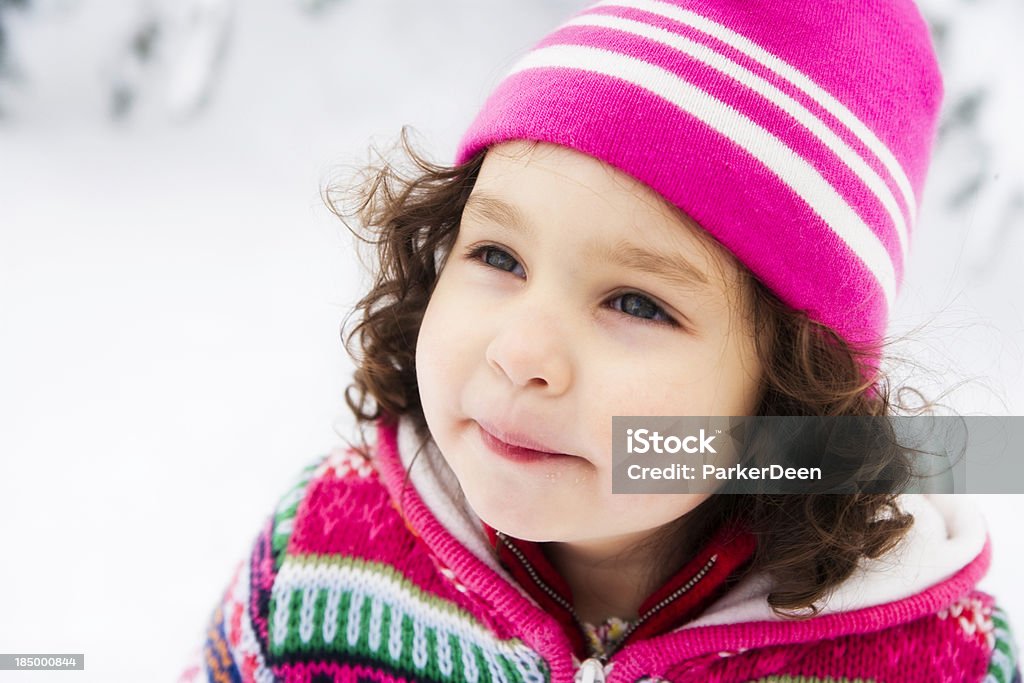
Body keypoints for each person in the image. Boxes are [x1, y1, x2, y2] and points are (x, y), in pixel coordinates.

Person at [181, 1, 1020, 681]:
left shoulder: (942, 660)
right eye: (498, 255)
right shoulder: (320, 556)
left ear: (789, 392)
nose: (522, 352)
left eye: (636, 303)